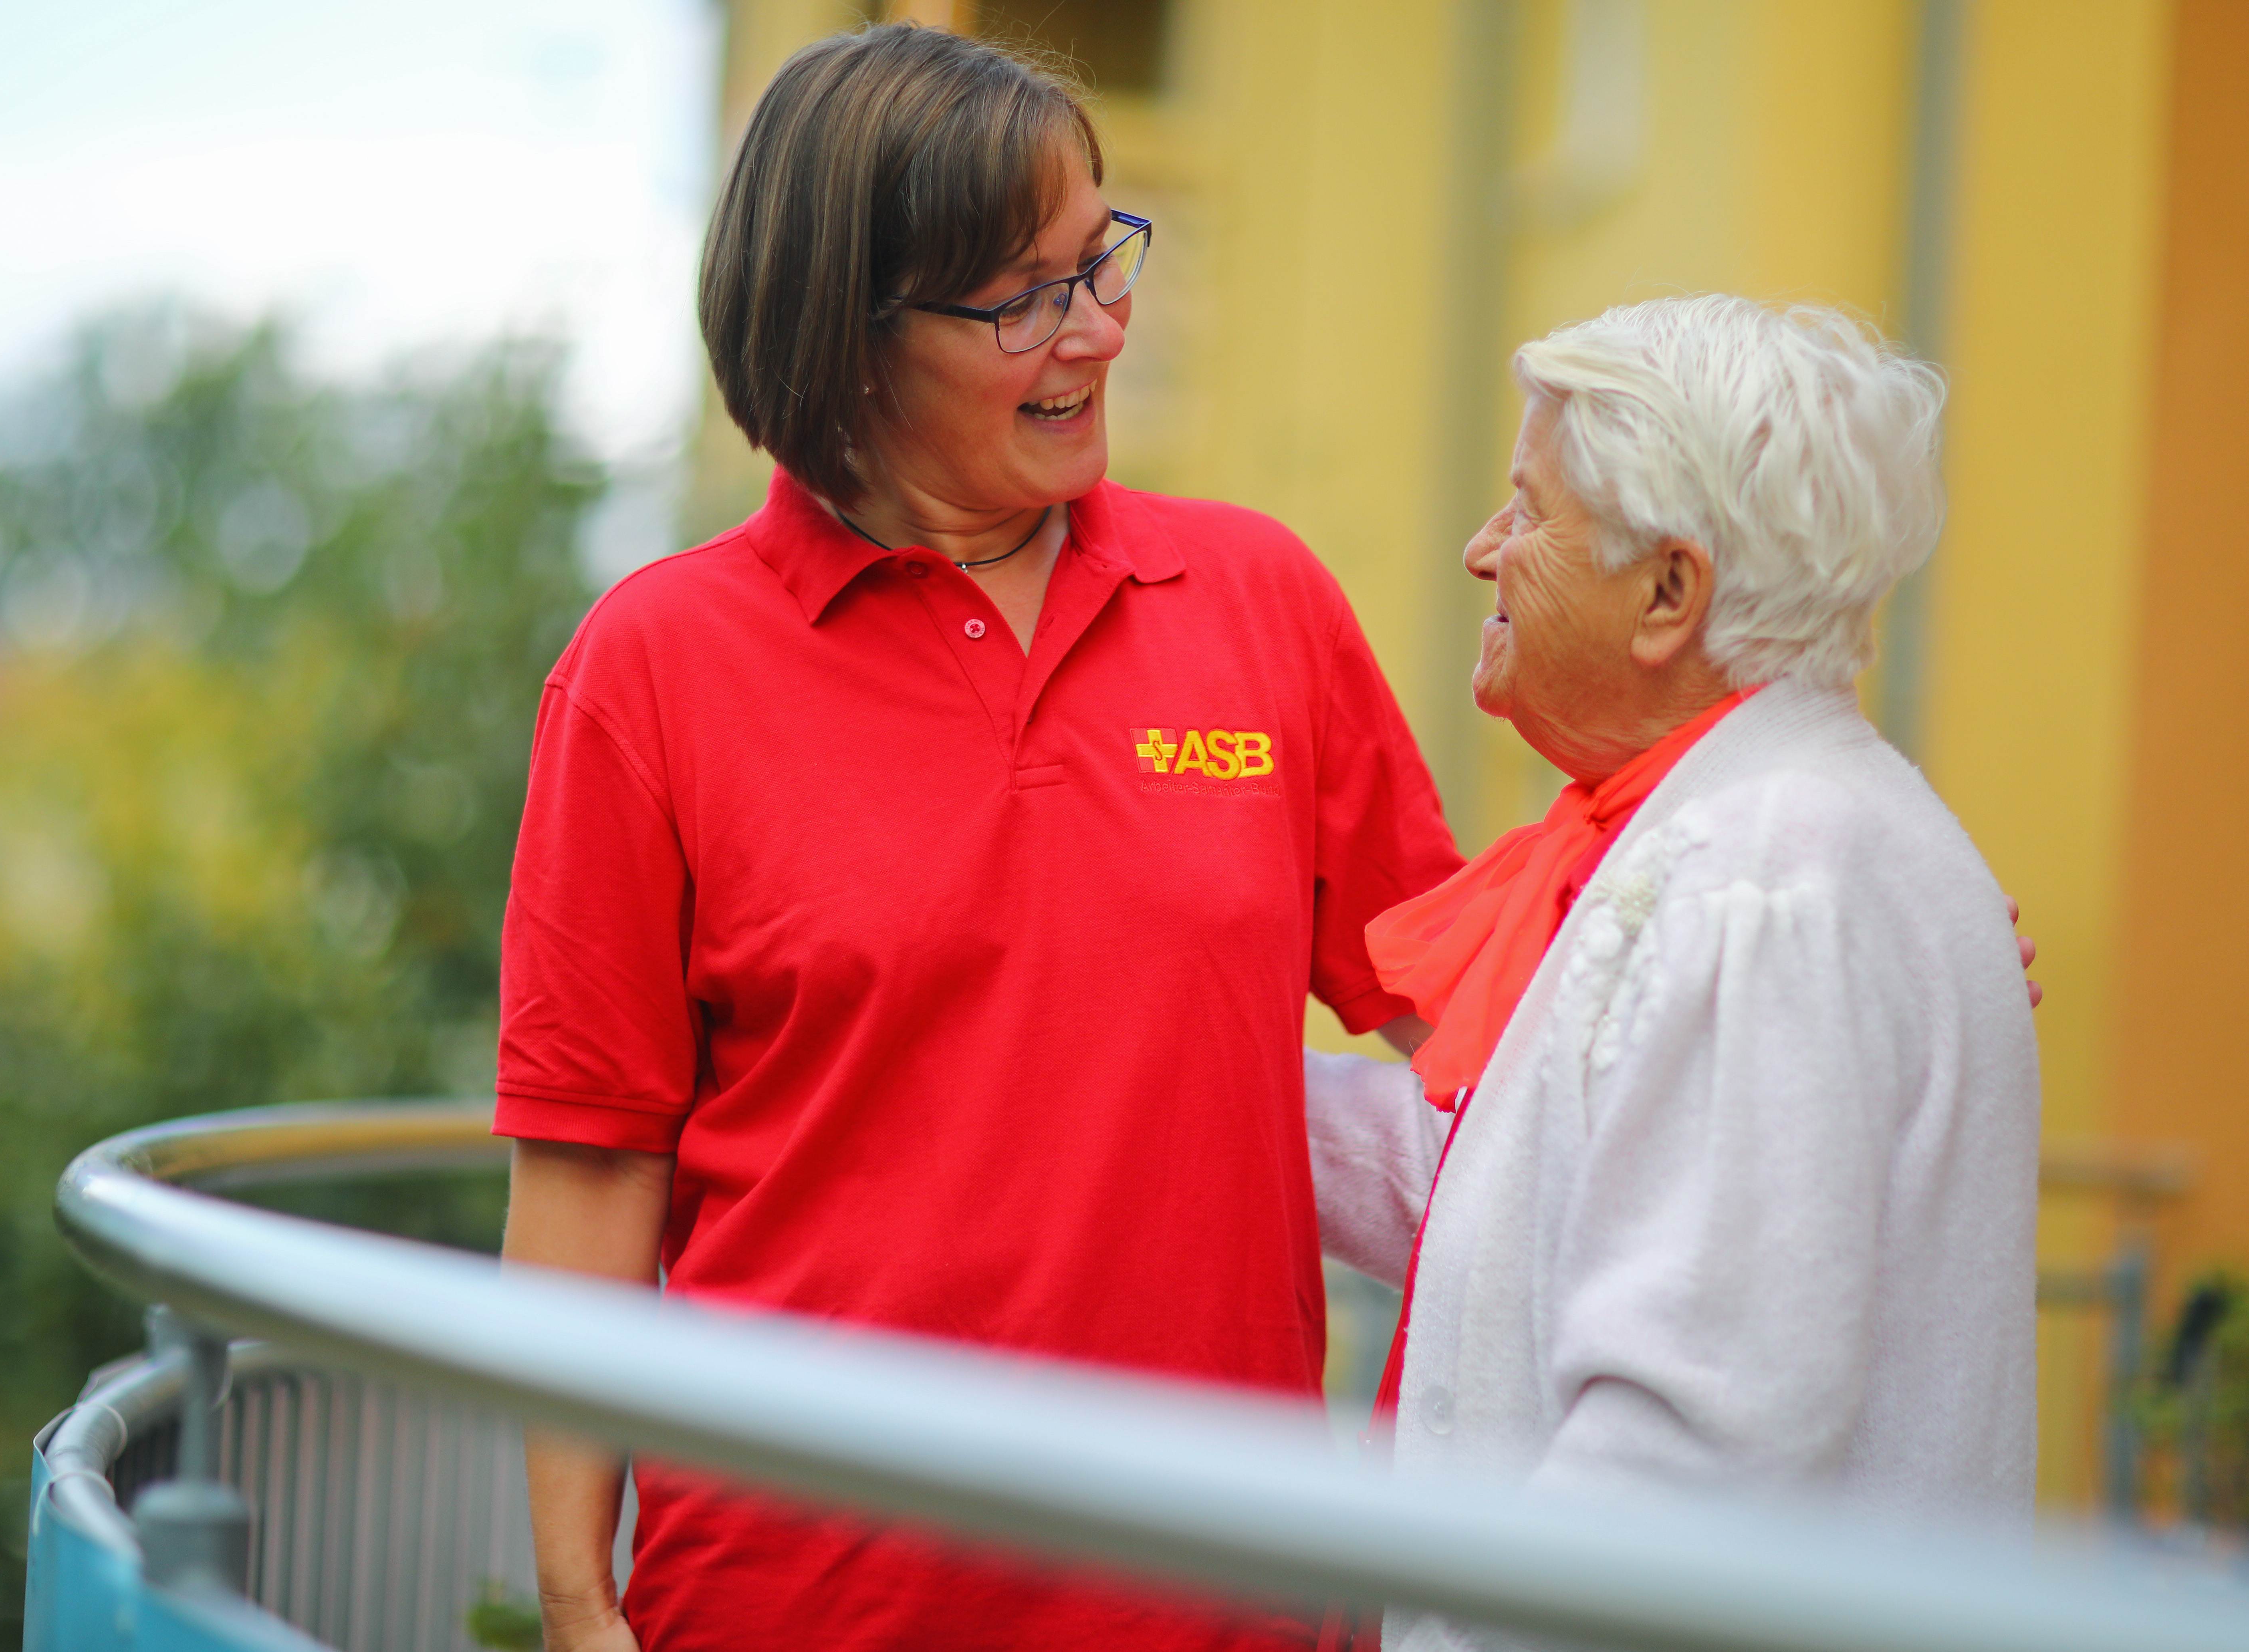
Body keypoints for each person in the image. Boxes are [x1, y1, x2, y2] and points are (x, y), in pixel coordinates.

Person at [495, 23, 1462, 1652]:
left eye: (1100, 260)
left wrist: (1775, 918)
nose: (1098, 328)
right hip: (796, 1599)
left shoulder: (1259, 604)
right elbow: (592, 1166)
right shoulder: (650, 667)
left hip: (1212, 1590)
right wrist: (580, 1600)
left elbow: (1479, 1010)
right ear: (848, 336)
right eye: (1023, 295)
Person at [1305, 296, 2042, 1650]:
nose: (1482, 552)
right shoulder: (1762, 837)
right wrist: (1164, 1063)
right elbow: (1541, 1204)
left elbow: (1693, 1447)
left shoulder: (1763, 883)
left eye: (1526, 513)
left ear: (1668, 595)